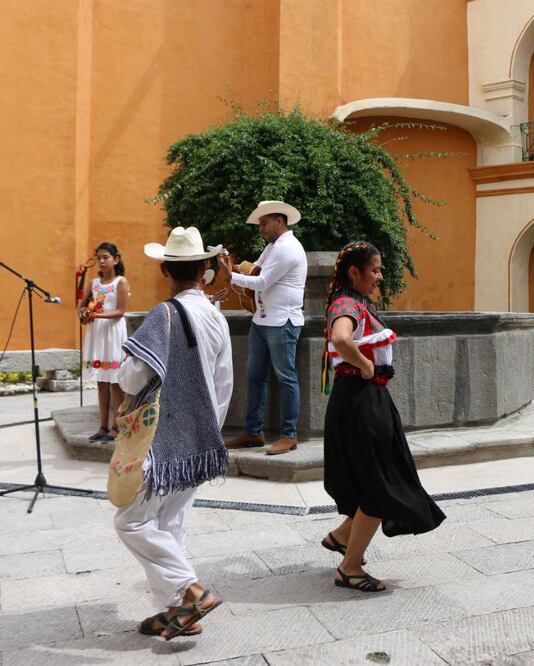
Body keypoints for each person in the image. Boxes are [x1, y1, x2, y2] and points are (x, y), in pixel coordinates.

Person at [114, 226, 232, 639]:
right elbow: (224, 384)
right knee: (170, 525)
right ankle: (177, 611)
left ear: (165, 269)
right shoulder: (216, 317)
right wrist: (205, 434)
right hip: (201, 440)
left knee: (130, 523)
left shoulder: (162, 316)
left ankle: (192, 591)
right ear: (204, 272)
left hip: (163, 443)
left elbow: (131, 380)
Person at [322, 241, 445, 592]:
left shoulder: (356, 302)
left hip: (366, 400)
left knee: (378, 478)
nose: (379, 276)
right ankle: (349, 568)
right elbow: (342, 338)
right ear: (354, 273)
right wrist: (364, 365)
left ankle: (343, 537)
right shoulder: (347, 303)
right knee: (380, 484)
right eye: (374, 270)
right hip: (362, 400)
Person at [218, 200, 307, 456]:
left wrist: (231, 275)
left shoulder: (287, 248)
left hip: (282, 320)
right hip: (263, 319)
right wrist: (233, 268)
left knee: (286, 377)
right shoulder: (273, 247)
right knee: (255, 376)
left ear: (279, 221)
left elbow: (262, 280)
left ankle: (289, 435)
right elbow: (256, 269)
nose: (261, 228)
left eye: (264, 222)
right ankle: (254, 432)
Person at [79, 242, 130, 441]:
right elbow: (82, 307)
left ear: (115, 259)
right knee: (101, 381)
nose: (101, 261)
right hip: (97, 333)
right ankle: (102, 426)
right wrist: (84, 313)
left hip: (113, 333)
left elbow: (120, 311)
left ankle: (117, 427)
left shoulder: (120, 282)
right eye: (99, 257)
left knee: (115, 382)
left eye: (105, 257)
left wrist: (97, 315)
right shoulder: (93, 283)